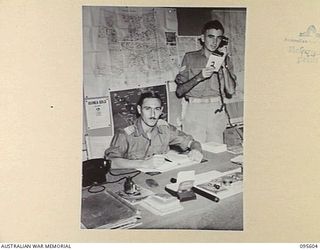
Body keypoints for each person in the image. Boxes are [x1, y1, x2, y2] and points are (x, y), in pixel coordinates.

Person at [175, 20, 237, 143]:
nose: (214, 42)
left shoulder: (225, 59)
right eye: (211, 37)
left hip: (216, 110)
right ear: (203, 38)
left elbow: (230, 90)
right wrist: (199, 77)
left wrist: (224, 65)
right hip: (195, 110)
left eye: (218, 38)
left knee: (216, 151)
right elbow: (179, 91)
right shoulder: (190, 58)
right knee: (196, 152)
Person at [105, 92, 203, 169]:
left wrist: (196, 150)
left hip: (159, 176)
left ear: (161, 110)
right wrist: (144, 163)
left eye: (157, 109)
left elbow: (192, 142)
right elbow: (111, 162)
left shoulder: (165, 128)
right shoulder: (125, 133)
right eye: (148, 109)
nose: (153, 114)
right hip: (132, 178)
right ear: (139, 110)